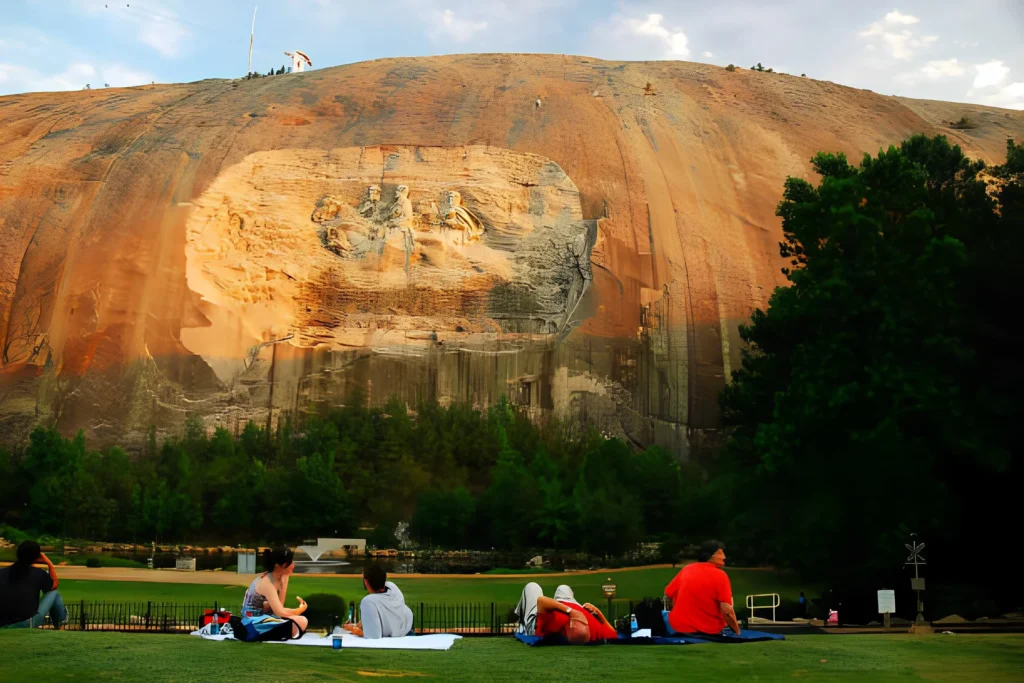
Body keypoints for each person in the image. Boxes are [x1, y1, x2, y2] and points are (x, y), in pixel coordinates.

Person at [664, 539, 741, 635]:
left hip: (680, 627)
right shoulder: (720, 575)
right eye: (720, 553)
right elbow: (727, 609)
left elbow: (668, 594)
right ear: (711, 555)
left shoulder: (687, 569)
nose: (724, 557)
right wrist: (737, 631)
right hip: (710, 629)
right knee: (728, 600)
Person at [514, 582, 617, 644]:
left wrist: (570, 611)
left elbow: (541, 601)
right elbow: (613, 634)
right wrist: (597, 611)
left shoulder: (557, 621)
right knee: (563, 588)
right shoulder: (594, 627)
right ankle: (566, 600)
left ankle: (521, 622)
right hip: (571, 604)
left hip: (538, 620)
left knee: (532, 587)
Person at [239, 546, 308, 638]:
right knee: (299, 621)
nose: (293, 565)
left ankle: (284, 632)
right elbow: (279, 612)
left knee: (301, 620)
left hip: (264, 617)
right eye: (289, 563)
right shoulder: (267, 582)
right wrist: (299, 610)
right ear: (278, 566)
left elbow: (279, 607)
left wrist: (284, 583)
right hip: (252, 623)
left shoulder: (275, 578)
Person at [0, 540, 66, 629]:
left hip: (2, 624)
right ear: (37, 556)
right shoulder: (38, 574)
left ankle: (61, 625)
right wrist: (49, 564)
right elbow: (54, 585)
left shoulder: (2, 572)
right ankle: (61, 626)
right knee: (54, 593)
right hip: (27, 623)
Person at [343, 563, 413, 639]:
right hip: (407, 629)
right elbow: (389, 614)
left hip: (398, 637)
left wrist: (352, 629)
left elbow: (373, 636)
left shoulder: (368, 601)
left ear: (366, 582)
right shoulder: (392, 588)